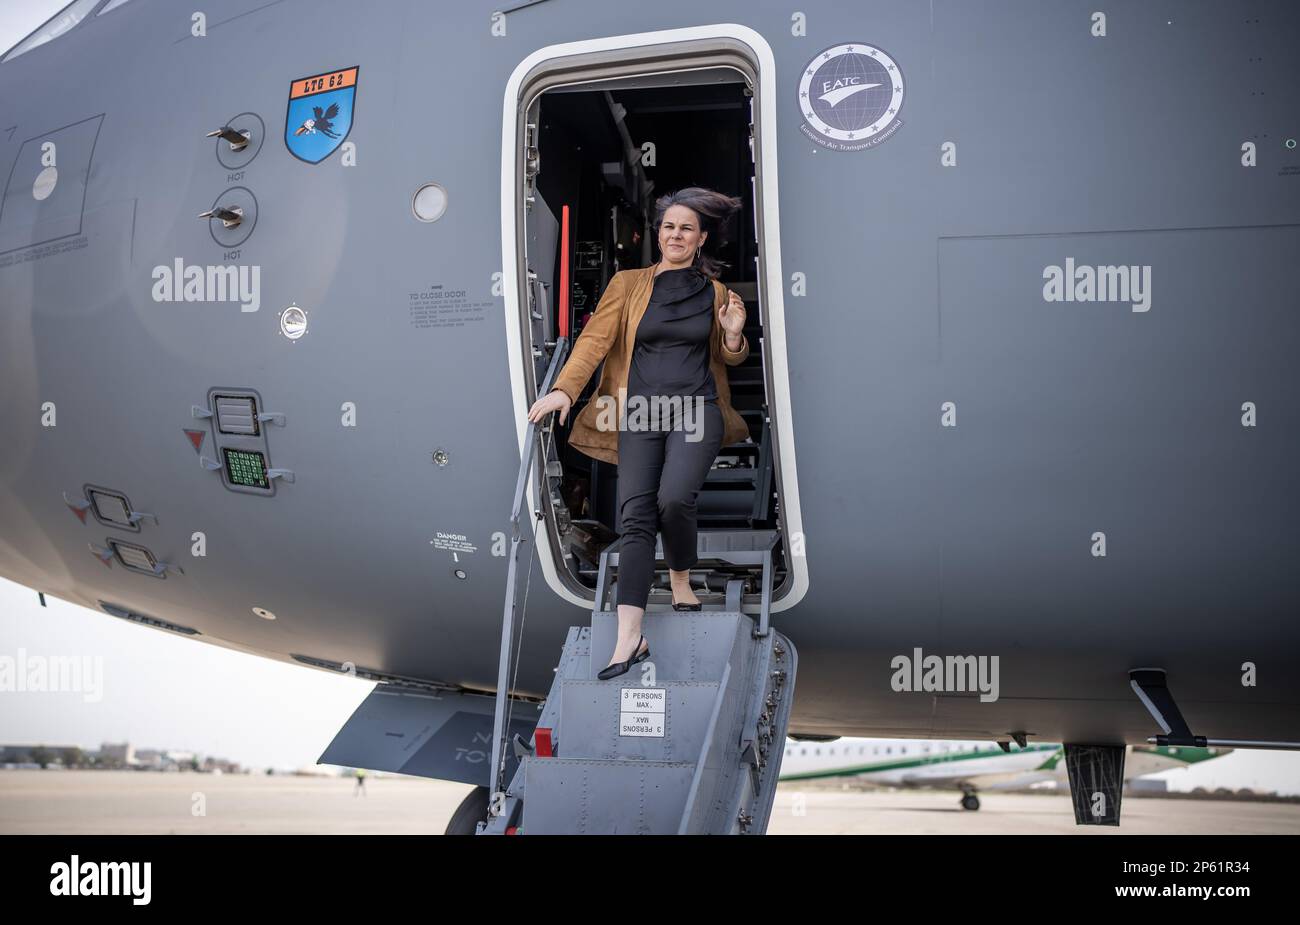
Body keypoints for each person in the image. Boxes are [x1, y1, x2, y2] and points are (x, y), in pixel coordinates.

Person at [526, 187, 749, 679]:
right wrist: (565, 390)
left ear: (701, 238)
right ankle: (630, 638)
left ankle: (680, 575)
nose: (676, 235)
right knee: (635, 518)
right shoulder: (628, 284)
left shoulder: (714, 293)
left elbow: (728, 357)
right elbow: (594, 341)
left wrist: (733, 333)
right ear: (659, 233)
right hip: (640, 413)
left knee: (674, 499)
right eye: (669, 226)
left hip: (697, 410)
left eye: (686, 228)